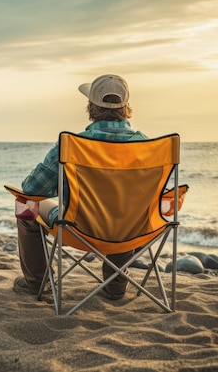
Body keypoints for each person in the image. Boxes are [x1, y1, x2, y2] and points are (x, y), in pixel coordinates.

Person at [14, 74, 148, 300]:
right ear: (126, 107)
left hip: (77, 228)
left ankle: (38, 284)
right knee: (127, 211)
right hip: (131, 230)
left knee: (24, 204)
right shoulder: (148, 146)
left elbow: (32, 189)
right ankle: (115, 286)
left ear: (90, 106)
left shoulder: (72, 145)